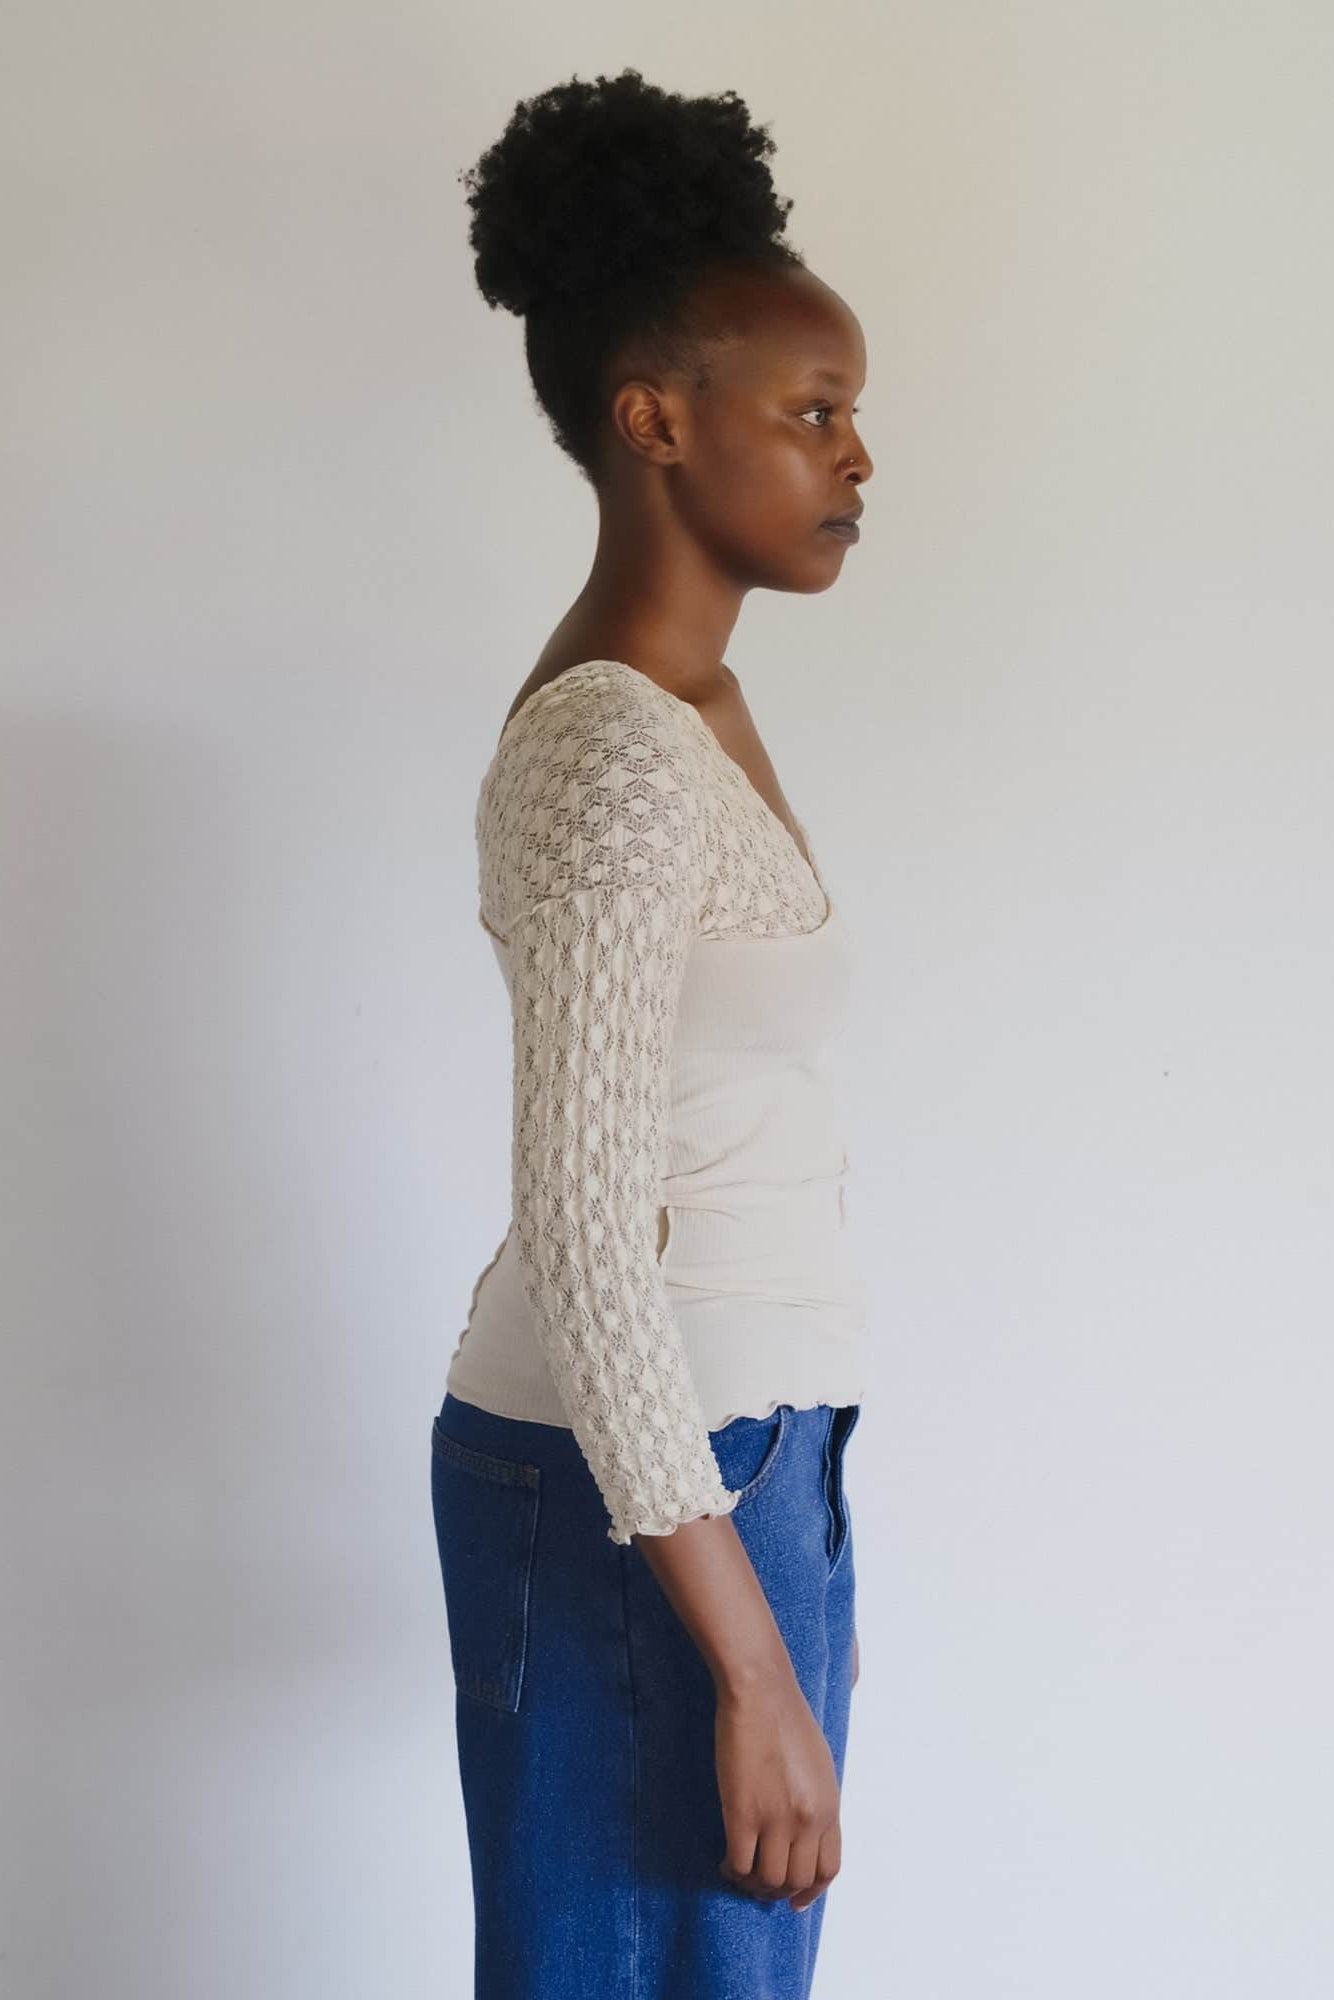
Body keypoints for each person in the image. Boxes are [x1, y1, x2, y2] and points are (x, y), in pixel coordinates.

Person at [430, 65, 874, 1998]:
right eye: (813, 410)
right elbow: (588, 1233)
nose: (856, 457)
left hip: (726, 1465)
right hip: (654, 1485)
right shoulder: (613, 753)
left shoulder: (689, 713)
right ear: (654, 419)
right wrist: (751, 1669)